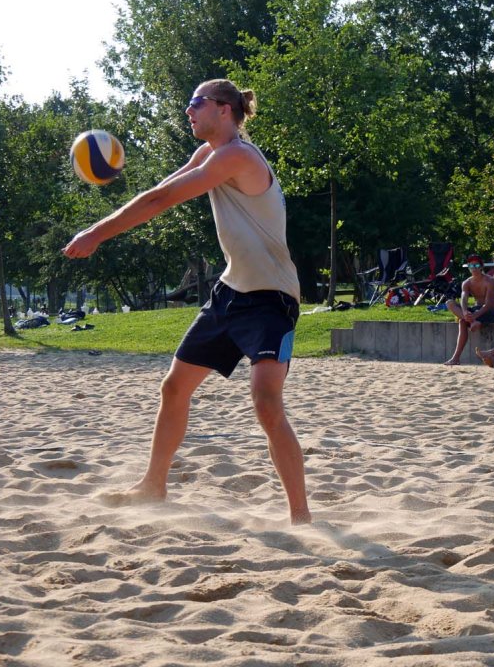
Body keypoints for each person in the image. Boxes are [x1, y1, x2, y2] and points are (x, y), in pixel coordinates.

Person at [62, 78, 311, 525]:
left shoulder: (238, 154)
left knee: (267, 404)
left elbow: (162, 199)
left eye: (195, 104)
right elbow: (161, 189)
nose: (188, 112)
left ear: (223, 108)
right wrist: (107, 223)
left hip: (272, 298)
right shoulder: (210, 154)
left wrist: (97, 232)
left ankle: (301, 517)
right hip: (231, 292)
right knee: (174, 388)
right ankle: (153, 486)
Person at [443, 254, 494, 366]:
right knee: (450, 303)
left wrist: (476, 314)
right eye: (471, 266)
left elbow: (488, 304)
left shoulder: (490, 281)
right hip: (475, 313)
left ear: (481, 267)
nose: (474, 268)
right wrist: (465, 312)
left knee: (463, 321)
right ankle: (456, 358)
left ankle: (456, 357)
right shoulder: (467, 282)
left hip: (488, 311)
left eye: (476, 265)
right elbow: (464, 298)